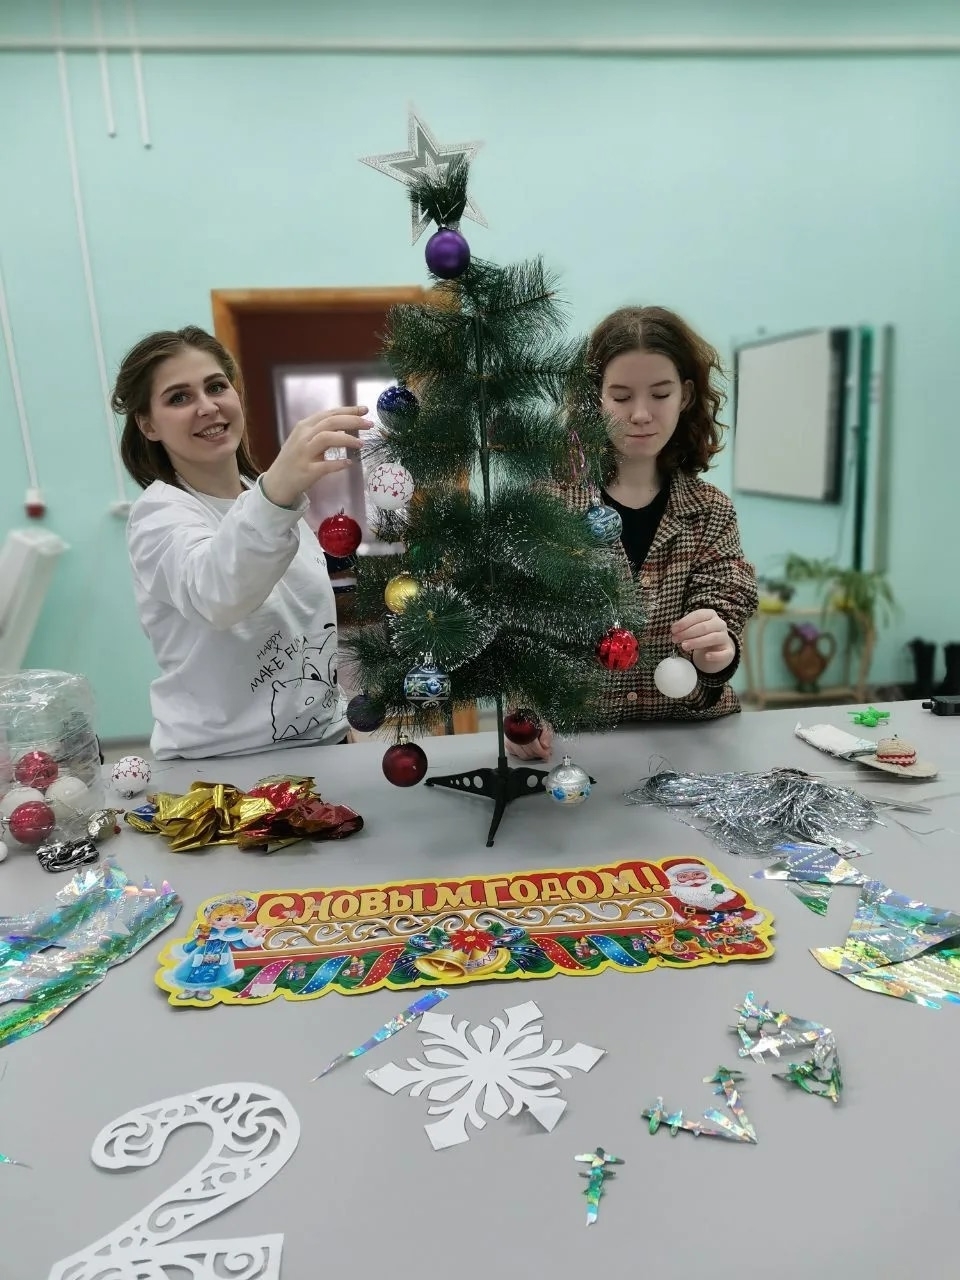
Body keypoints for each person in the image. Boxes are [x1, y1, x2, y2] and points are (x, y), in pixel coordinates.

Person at [509, 305, 757, 760]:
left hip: (693, 747)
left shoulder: (710, 511)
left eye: (660, 394)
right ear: (595, 399)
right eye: (621, 397)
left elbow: (726, 608)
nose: (641, 414)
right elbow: (522, 626)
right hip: (578, 751)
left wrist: (718, 653)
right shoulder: (549, 504)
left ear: (685, 396)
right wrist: (523, 719)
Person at [115, 325, 371, 759]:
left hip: (324, 742)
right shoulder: (158, 516)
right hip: (224, 766)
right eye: (179, 398)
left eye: (216, 387)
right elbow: (217, 594)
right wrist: (277, 492)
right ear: (148, 424)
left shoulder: (263, 499)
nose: (207, 406)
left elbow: (304, 624)